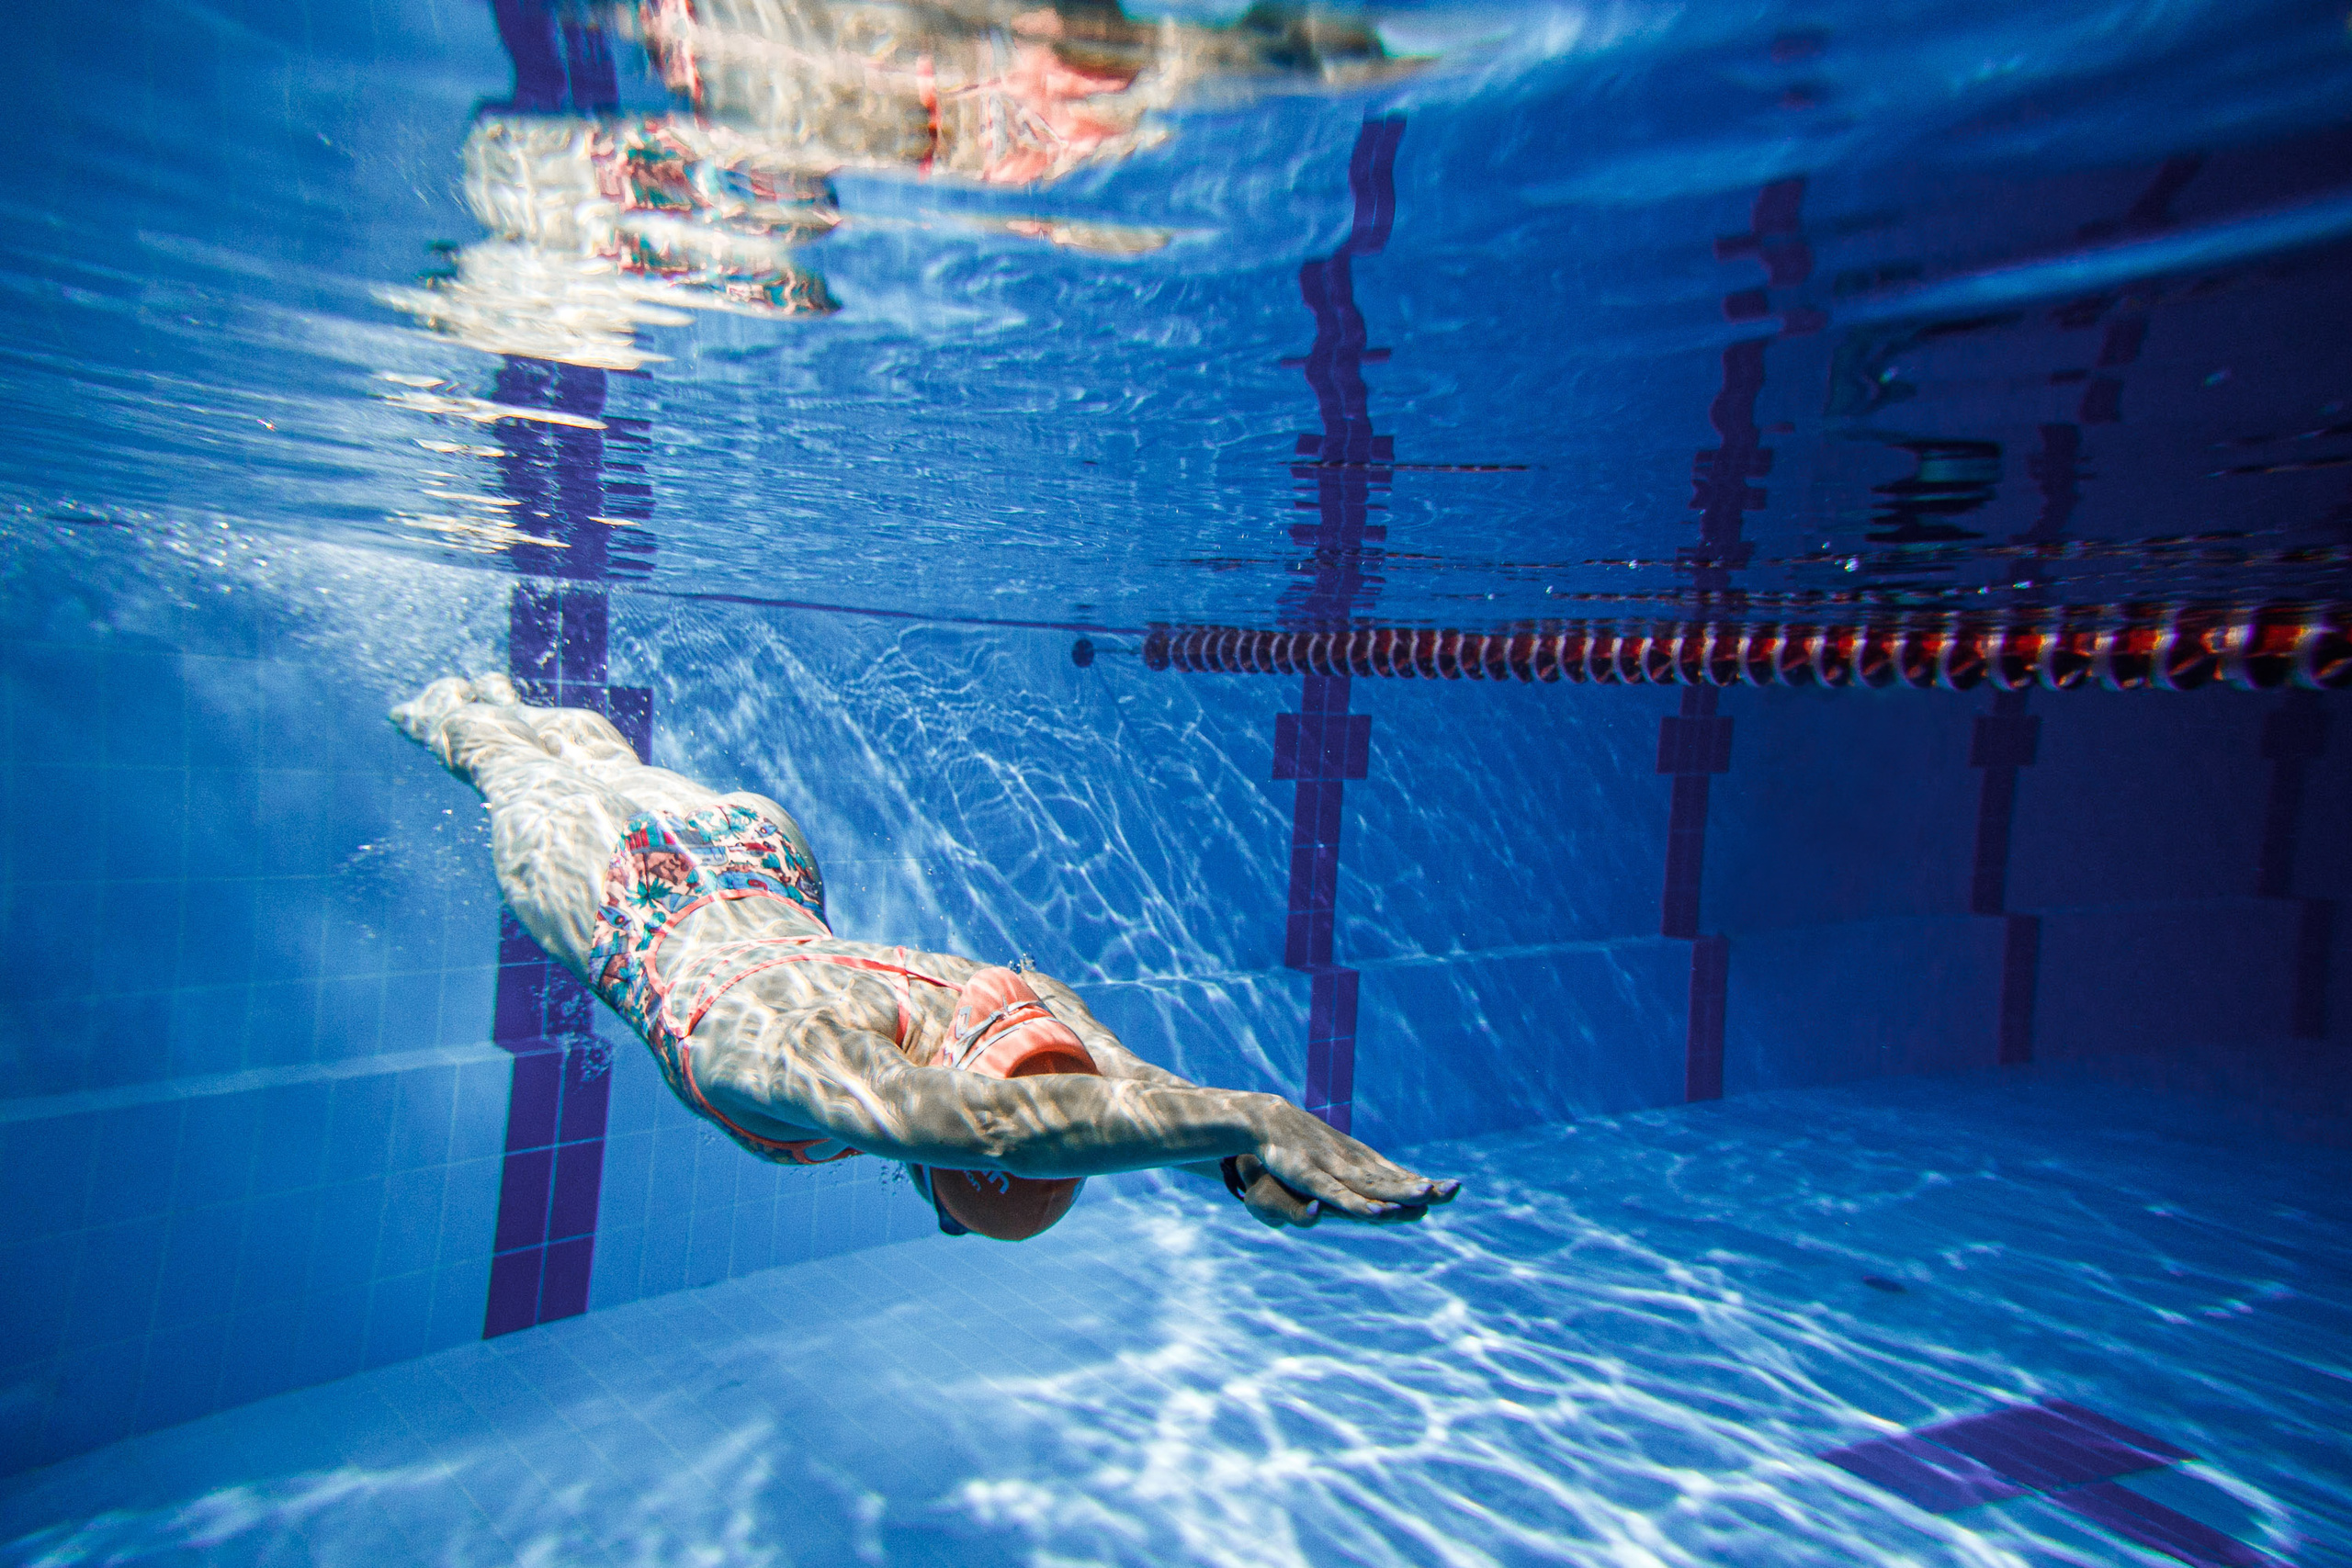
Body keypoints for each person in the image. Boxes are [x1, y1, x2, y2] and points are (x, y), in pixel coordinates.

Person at [390, 674, 1457, 1239]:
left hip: (752, 852)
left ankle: (506, 705)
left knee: (588, 756)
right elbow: (998, 1125)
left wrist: (1230, 1153)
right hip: (619, 898)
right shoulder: (802, 1066)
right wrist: (1253, 1124)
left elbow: (1120, 1091)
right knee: (492, 751)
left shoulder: (1009, 999)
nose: (941, 1226)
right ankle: (448, 703)